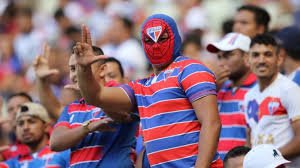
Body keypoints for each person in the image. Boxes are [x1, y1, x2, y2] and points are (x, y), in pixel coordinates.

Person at [74, 14, 223, 167]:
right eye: (148, 41)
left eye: (163, 39)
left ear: (176, 38)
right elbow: (96, 97)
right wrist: (84, 68)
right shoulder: (142, 86)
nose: (156, 46)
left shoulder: (191, 69)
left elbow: (211, 123)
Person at [50, 46, 138, 168]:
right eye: (73, 69)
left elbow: (121, 116)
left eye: (83, 67)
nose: (77, 74)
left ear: (102, 70)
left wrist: (91, 95)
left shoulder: (120, 92)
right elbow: (55, 143)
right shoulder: (71, 108)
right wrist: (87, 128)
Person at [244, 34, 300, 167]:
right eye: (256, 55)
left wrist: (270, 160)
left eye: (268, 54)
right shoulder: (249, 95)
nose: (261, 60)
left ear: (279, 59)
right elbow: (250, 139)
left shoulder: (289, 89)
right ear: (247, 60)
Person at [206, 32, 255, 159]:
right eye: (219, 57)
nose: (221, 63)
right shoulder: (219, 89)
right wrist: (212, 89)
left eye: (228, 55)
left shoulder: (259, 88)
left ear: (247, 57)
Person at [0, 102, 69, 168]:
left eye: (31, 122)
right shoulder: (13, 164)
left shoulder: (63, 154)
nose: (25, 127)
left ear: (46, 127)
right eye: (20, 123)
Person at [0, 92, 33, 161]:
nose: (15, 111)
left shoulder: (52, 140)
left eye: (20, 106)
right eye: (10, 109)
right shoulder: (5, 152)